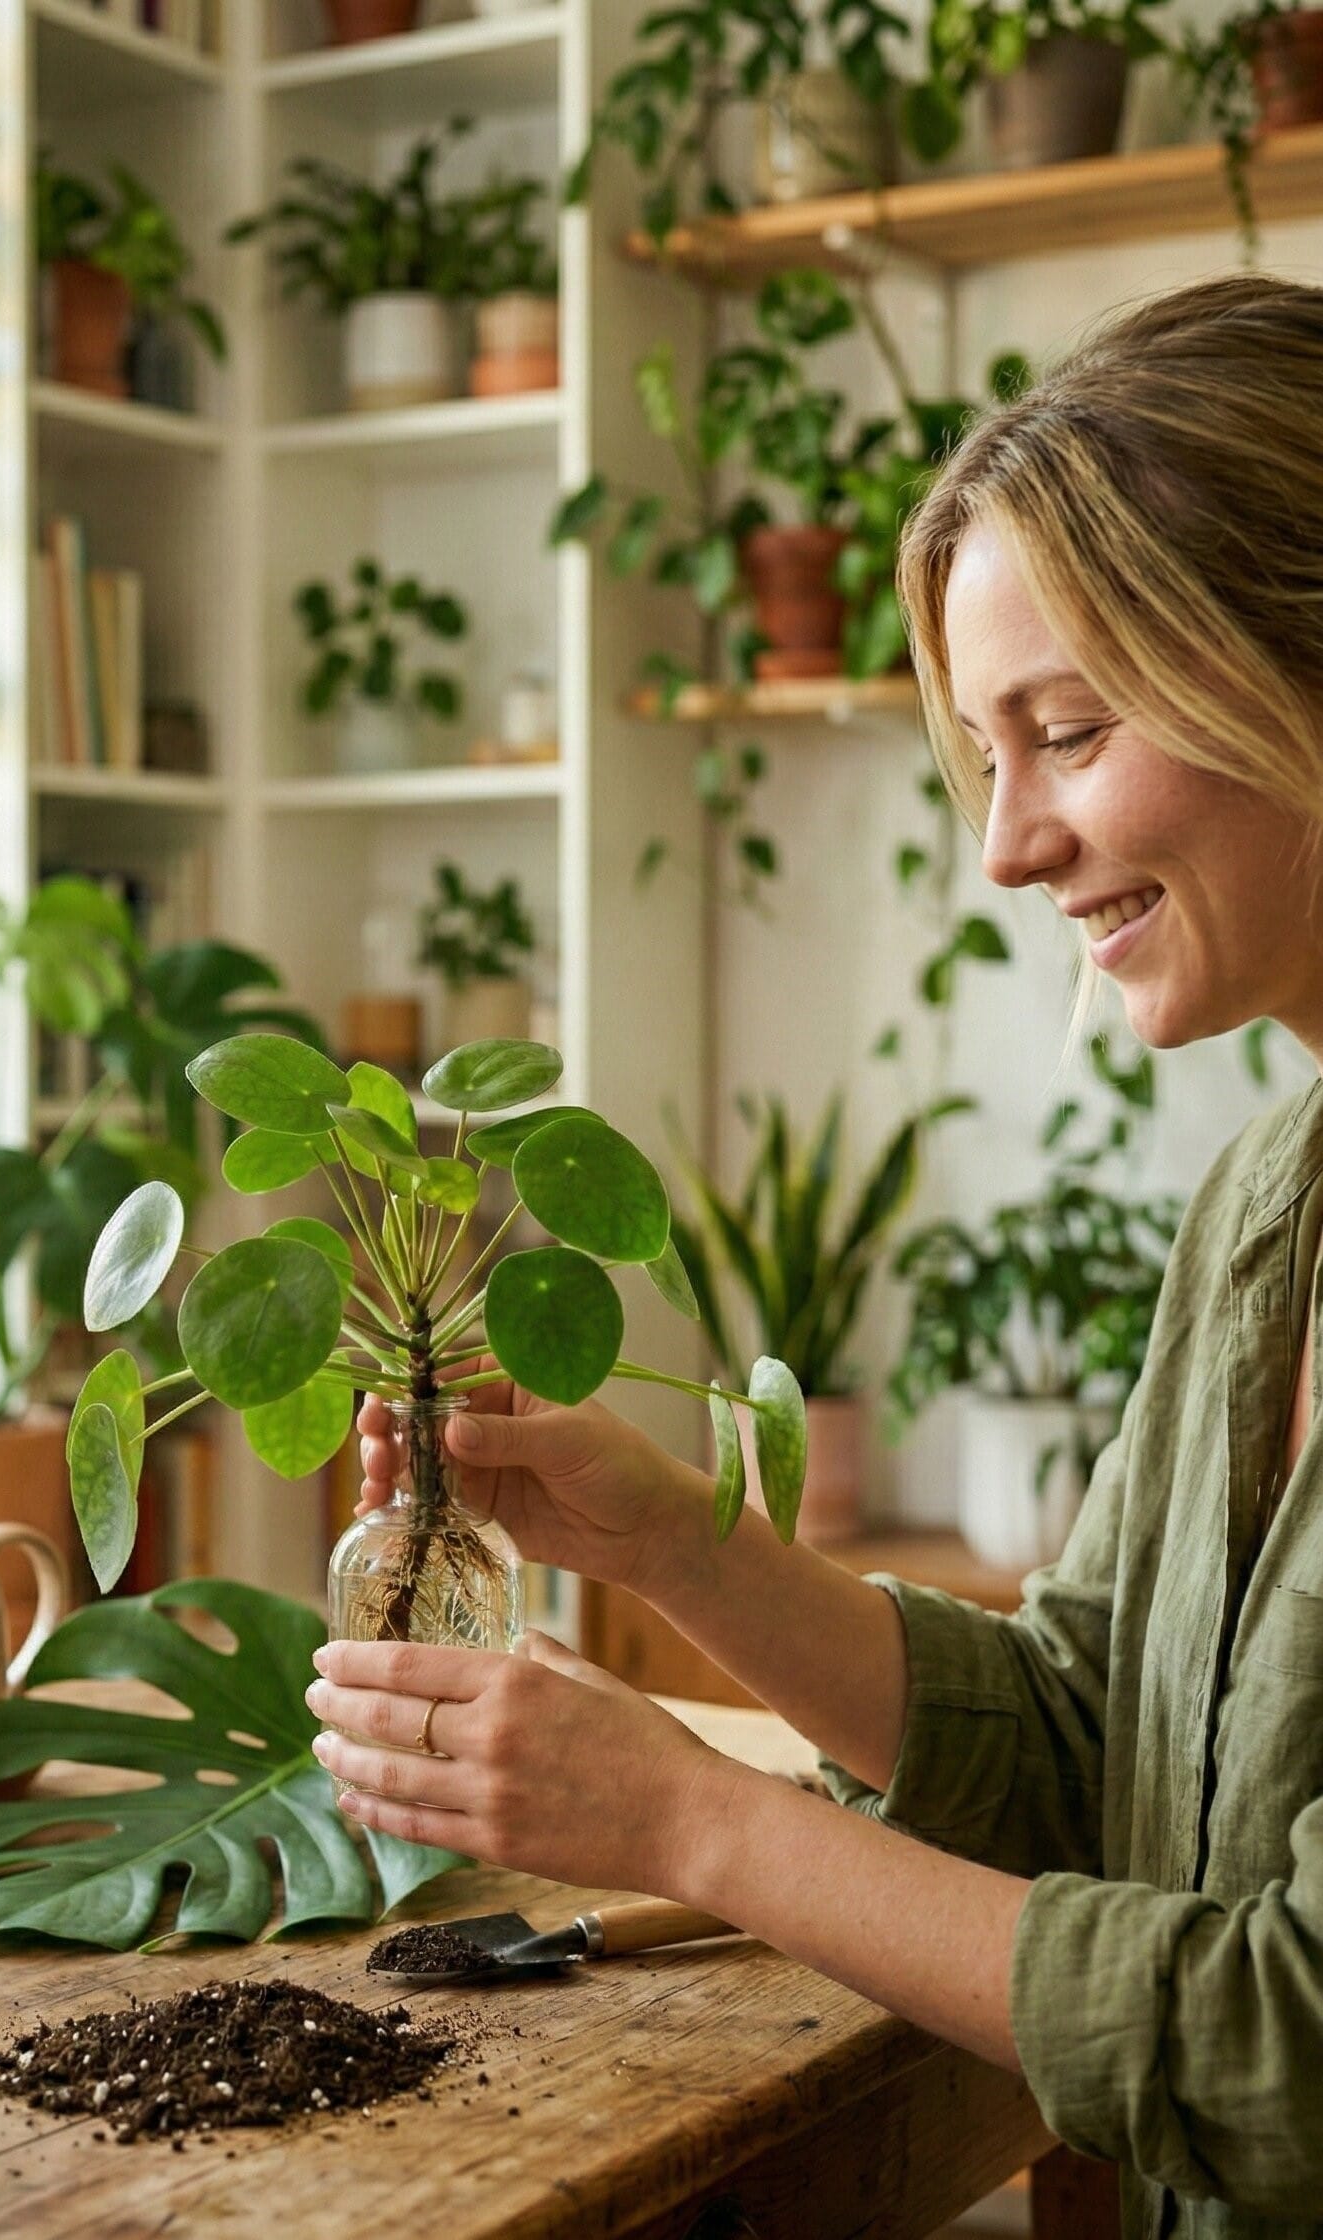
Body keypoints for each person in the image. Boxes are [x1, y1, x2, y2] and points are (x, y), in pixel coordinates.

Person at [305, 272, 1323, 2240]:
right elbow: (1080, 1743)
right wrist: (675, 1544)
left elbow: (1284, 2042)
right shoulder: (1263, 1200)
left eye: (1067, 731)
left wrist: (691, 1818)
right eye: (982, 753)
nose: (1006, 846)